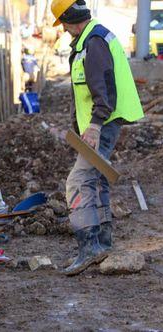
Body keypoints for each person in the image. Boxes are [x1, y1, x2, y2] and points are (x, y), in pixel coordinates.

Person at [50, 0, 144, 276]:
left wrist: (95, 125)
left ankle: (89, 247)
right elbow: (86, 90)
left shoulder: (94, 43)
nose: (63, 30)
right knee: (98, 177)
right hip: (102, 122)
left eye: (63, 24)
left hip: (104, 123)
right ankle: (102, 243)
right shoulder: (90, 40)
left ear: (69, 19)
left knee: (78, 182)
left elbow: (104, 87)